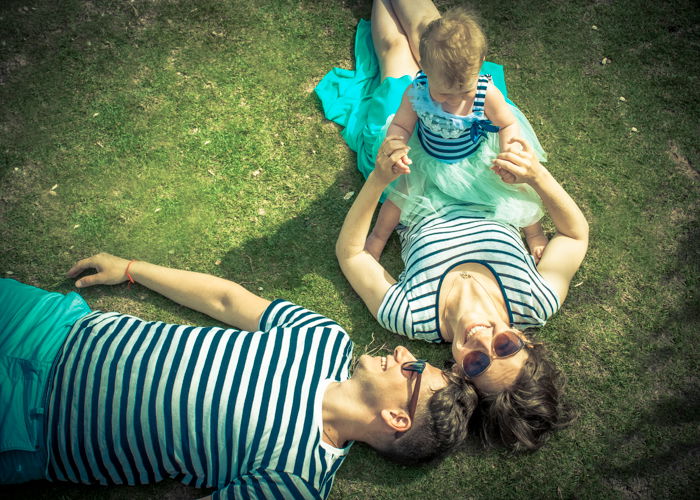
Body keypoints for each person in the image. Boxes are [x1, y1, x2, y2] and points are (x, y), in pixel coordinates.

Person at [326, 0, 589, 451]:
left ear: (455, 371)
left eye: (474, 364)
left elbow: (352, 255)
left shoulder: (411, 316)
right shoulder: (535, 301)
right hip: (480, 172)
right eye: (506, 347)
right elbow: (576, 235)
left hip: (411, 179)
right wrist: (535, 176)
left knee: (393, 51)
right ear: (524, 338)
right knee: (430, 35)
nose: (482, 339)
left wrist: (379, 178)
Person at [0, 253, 476, 498]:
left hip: (31, 426)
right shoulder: (325, 338)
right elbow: (228, 300)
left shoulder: (296, 481)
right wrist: (130, 269)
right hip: (54, 325)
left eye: (414, 369)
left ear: (396, 417)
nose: (400, 351)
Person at [356, 6, 549, 263]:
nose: (454, 100)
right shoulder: (418, 89)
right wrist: (397, 144)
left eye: (463, 91)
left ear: (478, 69)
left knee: (513, 187)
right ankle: (377, 238)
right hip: (426, 156)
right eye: (445, 94)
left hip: (474, 157)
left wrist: (508, 149)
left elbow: (506, 123)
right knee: (399, 196)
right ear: (424, 69)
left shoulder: (484, 92)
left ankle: (535, 233)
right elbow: (402, 125)